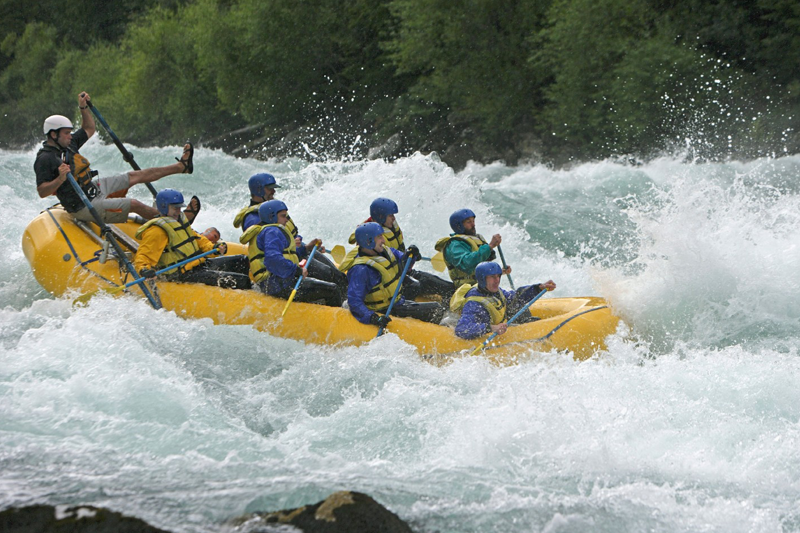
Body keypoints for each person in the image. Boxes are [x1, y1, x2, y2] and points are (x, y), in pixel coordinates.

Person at [34, 91, 195, 223]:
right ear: (54, 134)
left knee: (134, 176)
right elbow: (42, 191)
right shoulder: (45, 158)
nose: (70, 136)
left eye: (70, 133)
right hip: (83, 206)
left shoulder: (69, 144)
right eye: (67, 133)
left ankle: (181, 167)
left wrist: (83, 108)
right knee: (133, 203)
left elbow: (89, 128)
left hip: (93, 188)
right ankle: (175, 223)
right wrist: (60, 179)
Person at [234, 172, 346, 291]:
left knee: (337, 274)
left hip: (298, 252)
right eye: (269, 188)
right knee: (328, 274)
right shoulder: (253, 218)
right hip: (287, 263)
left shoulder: (274, 208)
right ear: (258, 190)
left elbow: (291, 234)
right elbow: (267, 249)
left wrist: (305, 245)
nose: (273, 191)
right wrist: (294, 246)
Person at [339, 197, 455, 301]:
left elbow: (398, 254)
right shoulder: (369, 237)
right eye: (390, 215)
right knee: (418, 285)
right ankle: (404, 308)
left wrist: (411, 255)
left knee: (446, 286)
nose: (394, 219)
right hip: (388, 278)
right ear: (380, 217)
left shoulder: (389, 227)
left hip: (401, 270)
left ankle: (453, 304)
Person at [134, 189, 251, 290]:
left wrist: (212, 247)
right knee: (242, 280)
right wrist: (144, 270)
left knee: (242, 260)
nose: (179, 211)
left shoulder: (179, 221)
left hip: (197, 264)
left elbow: (196, 237)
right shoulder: (157, 231)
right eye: (175, 208)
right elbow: (144, 255)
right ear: (164, 207)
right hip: (182, 274)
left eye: (179, 207)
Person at [241, 199, 342, 306]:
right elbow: (272, 260)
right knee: (332, 290)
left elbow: (287, 255)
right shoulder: (272, 232)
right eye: (283, 216)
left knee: (323, 286)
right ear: (272, 217)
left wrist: (307, 247)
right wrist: (297, 270)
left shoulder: (271, 231)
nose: (287, 220)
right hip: (278, 285)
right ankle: (340, 318)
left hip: (278, 283)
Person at [344, 222, 444, 328]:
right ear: (369, 241)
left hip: (396, 302)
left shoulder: (386, 251)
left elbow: (405, 262)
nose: (383, 240)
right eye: (379, 237)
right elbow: (354, 301)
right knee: (436, 309)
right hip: (383, 309)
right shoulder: (361, 270)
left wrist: (411, 255)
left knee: (417, 289)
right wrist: (373, 318)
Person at [453, 262, 556, 340]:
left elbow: (515, 297)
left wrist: (539, 288)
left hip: (501, 324)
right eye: (492, 277)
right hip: (489, 333)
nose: (497, 280)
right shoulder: (474, 304)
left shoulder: (495, 291)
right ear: (483, 279)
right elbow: (461, 329)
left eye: (498, 276)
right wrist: (491, 328)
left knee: (525, 313)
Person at [434, 208, 510, 288]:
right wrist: (490, 246)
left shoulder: (477, 239)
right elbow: (468, 263)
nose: (473, 224)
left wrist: (500, 272)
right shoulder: (454, 244)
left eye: (473, 221)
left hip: (482, 286)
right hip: (466, 289)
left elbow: (482, 268)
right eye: (468, 222)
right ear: (459, 226)